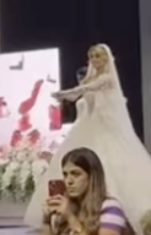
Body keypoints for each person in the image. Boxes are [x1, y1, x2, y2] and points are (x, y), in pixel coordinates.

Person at [24, 43, 151, 233]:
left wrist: (66, 93)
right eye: (92, 57)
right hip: (86, 129)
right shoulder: (90, 78)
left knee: (111, 169)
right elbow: (80, 93)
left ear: (107, 59)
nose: (95, 61)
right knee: (74, 164)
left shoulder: (106, 79)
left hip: (106, 131)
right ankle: (62, 218)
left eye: (99, 57)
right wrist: (67, 96)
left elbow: (83, 90)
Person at [43, 147, 131, 235]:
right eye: (65, 174)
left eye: (76, 174)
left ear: (91, 177)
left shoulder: (109, 207)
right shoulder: (70, 207)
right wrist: (46, 220)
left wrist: (70, 217)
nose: (68, 181)